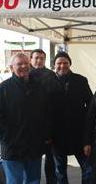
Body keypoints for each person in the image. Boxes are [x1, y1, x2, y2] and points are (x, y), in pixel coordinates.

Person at [0, 53, 49, 184]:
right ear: (11, 68)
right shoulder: (3, 88)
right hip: (12, 147)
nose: (23, 66)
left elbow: (45, 113)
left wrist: (44, 136)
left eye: (26, 64)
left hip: (34, 146)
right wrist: (6, 137)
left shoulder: (38, 87)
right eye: (19, 64)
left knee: (33, 180)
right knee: (14, 181)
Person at [53, 52, 93, 184]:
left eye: (65, 62)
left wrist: (88, 132)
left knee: (88, 169)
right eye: (59, 63)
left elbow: (91, 105)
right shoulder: (49, 81)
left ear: (70, 64)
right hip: (57, 136)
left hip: (79, 134)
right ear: (54, 65)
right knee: (60, 171)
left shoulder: (81, 80)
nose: (62, 65)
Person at [30, 49, 59, 184]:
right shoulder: (25, 74)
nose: (39, 61)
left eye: (42, 58)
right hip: (30, 128)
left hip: (49, 125)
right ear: (31, 59)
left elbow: (55, 102)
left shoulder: (51, 75)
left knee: (50, 160)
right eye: (36, 58)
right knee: (32, 161)